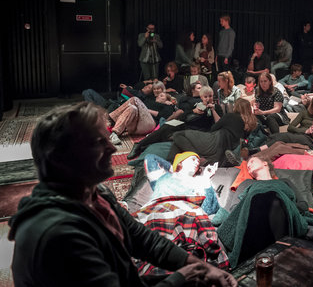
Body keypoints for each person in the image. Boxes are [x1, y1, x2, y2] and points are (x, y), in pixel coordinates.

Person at [8, 101, 236, 287]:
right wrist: (183, 277)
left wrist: (198, 266)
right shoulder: (60, 234)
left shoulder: (95, 194)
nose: (112, 148)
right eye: (99, 142)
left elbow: (141, 238)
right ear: (66, 158)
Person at [126, 84, 223, 160]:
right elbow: (183, 116)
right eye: (205, 97)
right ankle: (139, 144)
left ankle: (145, 145)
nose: (208, 99)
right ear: (201, 97)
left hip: (199, 131)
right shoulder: (196, 105)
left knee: (171, 136)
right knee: (167, 126)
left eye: (210, 96)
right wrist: (193, 111)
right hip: (186, 125)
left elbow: (219, 123)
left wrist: (213, 110)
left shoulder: (217, 107)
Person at [169, 98, 256, 165]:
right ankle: (171, 162)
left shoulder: (231, 116)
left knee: (178, 135)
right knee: (177, 143)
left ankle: (197, 157)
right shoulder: (251, 124)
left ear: (236, 107)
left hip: (213, 141)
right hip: (222, 151)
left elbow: (213, 128)